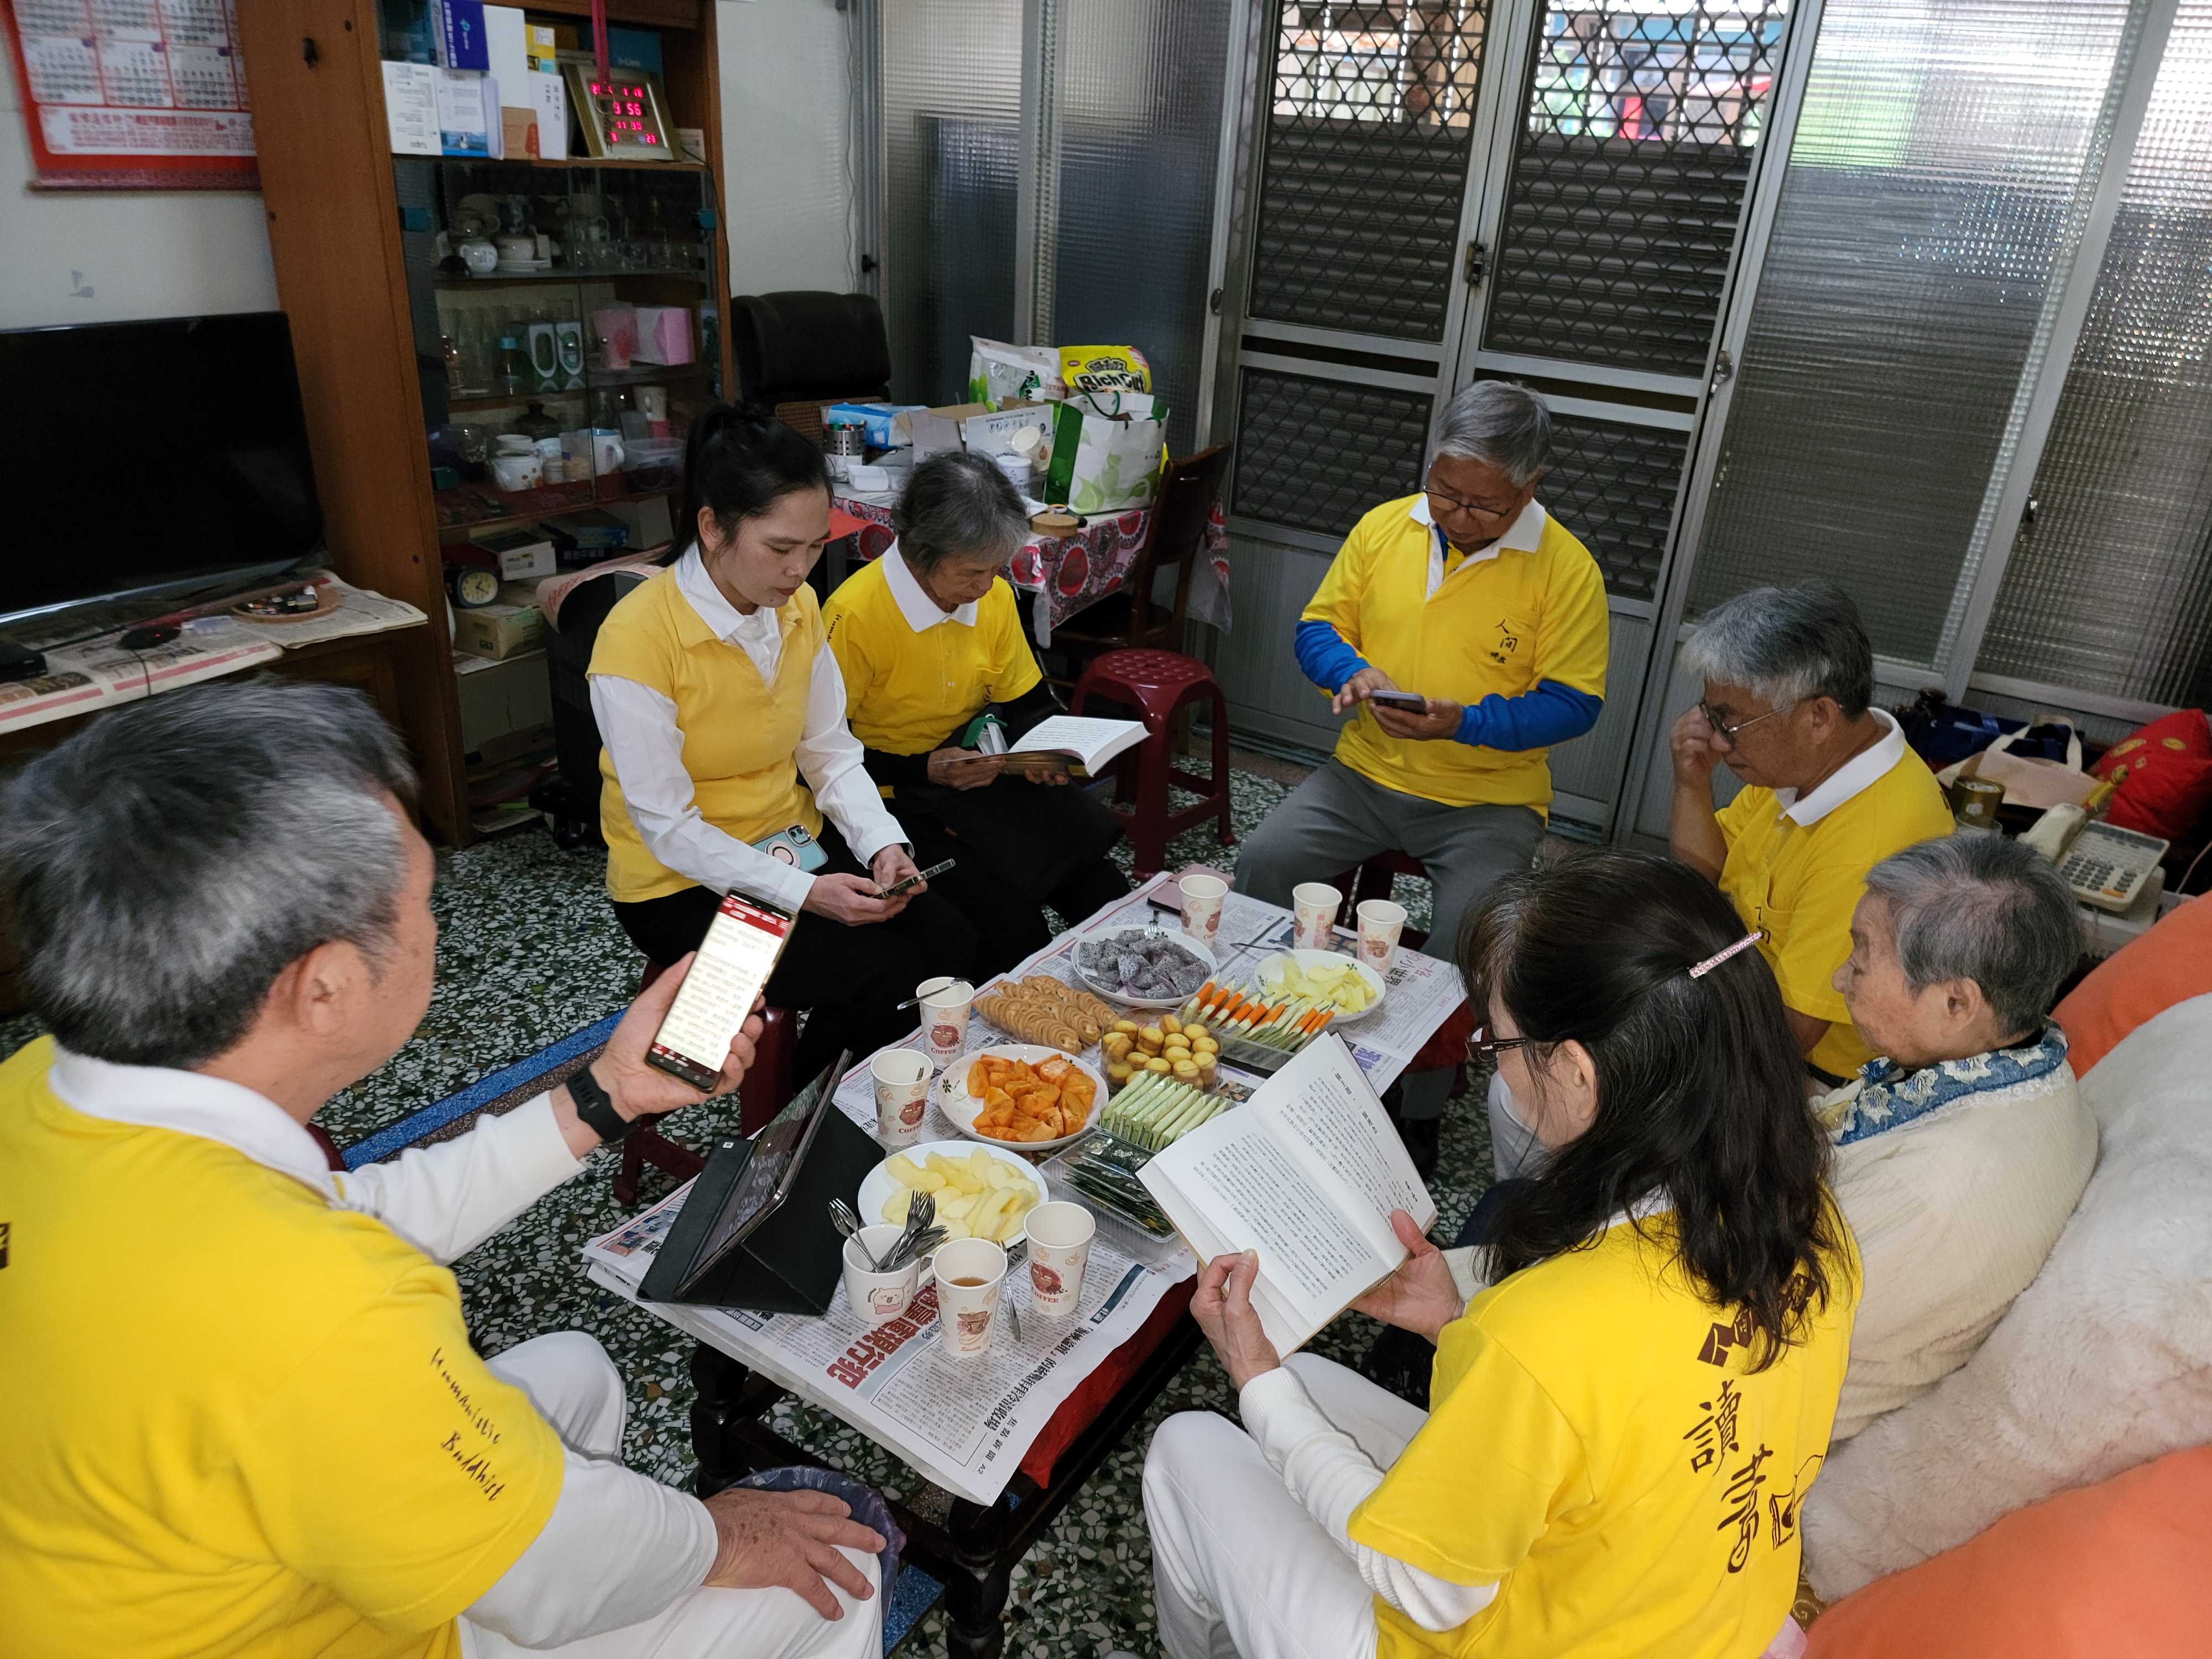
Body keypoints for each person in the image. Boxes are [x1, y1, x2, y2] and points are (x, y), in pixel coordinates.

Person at [0, 683, 887, 1658]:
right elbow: (549, 1568)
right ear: (325, 988)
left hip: (126, 1565)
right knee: (836, 1583)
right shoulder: (309, 1309)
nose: (434, 928)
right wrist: (722, 1538)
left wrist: (604, 1098)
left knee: (575, 1374)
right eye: (425, 902)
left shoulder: (42, 1086)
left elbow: (348, 1214)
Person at [1145, 849, 1859, 1659]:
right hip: (1692, 1614)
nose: (1502, 1069)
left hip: (1526, 1633)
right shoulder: (1809, 1223)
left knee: (1189, 1445)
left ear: (1579, 1072)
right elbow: (1614, 1412)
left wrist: (1252, 1377)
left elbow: (1425, 1586)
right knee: (1303, 1380)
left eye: (1502, 1043)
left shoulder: (1548, 1329)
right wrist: (1454, 1322)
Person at [1233, 382, 1610, 1169]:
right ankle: (1272, 1034)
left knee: (1469, 935)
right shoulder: (1386, 526)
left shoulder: (1566, 569)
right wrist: (1350, 670)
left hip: (1487, 799)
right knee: (1267, 861)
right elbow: (1317, 627)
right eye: (1444, 491)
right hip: (1363, 774)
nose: (1456, 515)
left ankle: (1417, 1104)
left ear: (1530, 487)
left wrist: (1463, 721)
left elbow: (1574, 705)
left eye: (1483, 505)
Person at [591, 406, 975, 1081]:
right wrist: (806, 893)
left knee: (951, 943)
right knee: (878, 974)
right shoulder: (636, 641)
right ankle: (799, 1118)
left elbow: (828, 749)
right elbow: (669, 830)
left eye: (815, 547)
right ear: (712, 527)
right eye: (779, 548)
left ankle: (833, 1088)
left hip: (789, 844)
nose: (800, 570)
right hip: (677, 886)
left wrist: (882, 845)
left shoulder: (793, 608)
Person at [1819, 833, 2096, 1441]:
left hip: (1763, 1417)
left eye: (1861, 959)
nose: (1841, 977)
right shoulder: (2021, 1060)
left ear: (1955, 1003)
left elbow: (1743, 1314)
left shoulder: (1930, 1187)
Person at [824, 452, 1128, 974]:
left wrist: (1045, 749)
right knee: (1013, 932)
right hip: (892, 794)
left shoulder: (992, 598)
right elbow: (820, 757)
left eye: (996, 568)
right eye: (972, 571)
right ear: (920, 555)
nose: (987, 586)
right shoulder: (854, 616)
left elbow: (1026, 702)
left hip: (979, 772)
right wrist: (924, 768)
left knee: (1102, 889)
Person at [1668, 581, 1954, 1088]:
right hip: (1736, 985)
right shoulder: (1811, 763)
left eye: (1729, 723)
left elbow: (1787, 1038)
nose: (1715, 741)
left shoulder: (1867, 842)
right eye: (1710, 714)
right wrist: (1692, 784)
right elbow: (1699, 880)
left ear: (1818, 717)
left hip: (1815, 1074)